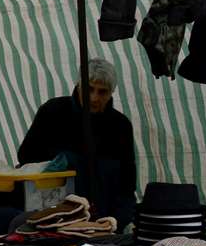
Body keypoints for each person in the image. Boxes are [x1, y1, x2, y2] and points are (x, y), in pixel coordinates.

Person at [16, 58, 137, 228]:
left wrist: (115, 220)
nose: (94, 98)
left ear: (111, 93)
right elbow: (27, 159)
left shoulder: (120, 126)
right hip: (55, 217)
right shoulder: (53, 112)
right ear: (79, 85)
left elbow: (127, 184)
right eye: (89, 89)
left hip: (102, 221)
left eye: (102, 92)